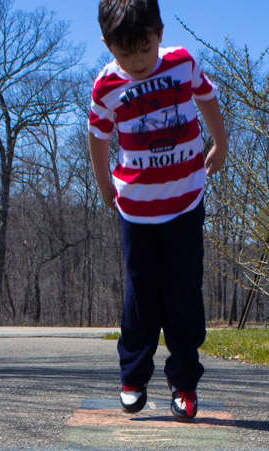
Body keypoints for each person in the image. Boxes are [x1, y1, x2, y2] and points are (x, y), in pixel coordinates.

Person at [87, 0, 228, 421]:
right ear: (107, 45)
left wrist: (220, 143)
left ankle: (184, 382)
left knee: (183, 293)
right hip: (136, 209)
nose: (137, 62)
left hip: (185, 200)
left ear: (159, 34)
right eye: (124, 53)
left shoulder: (182, 64)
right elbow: (97, 135)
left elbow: (207, 97)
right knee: (141, 295)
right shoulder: (107, 86)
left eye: (144, 49)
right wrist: (103, 184)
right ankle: (133, 376)